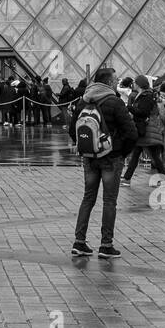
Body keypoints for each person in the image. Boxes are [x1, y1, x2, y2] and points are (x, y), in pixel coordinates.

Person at [68, 66, 138, 259]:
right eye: (115, 80)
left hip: (89, 158)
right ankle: (106, 245)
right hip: (111, 158)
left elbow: (72, 129)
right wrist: (120, 152)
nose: (117, 82)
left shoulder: (84, 100)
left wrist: (86, 146)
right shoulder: (114, 102)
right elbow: (131, 133)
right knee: (109, 201)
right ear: (108, 82)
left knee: (88, 198)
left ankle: (79, 242)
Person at [123, 75, 165, 186]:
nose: (133, 84)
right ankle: (127, 178)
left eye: (135, 82)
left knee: (153, 156)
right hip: (145, 129)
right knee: (137, 154)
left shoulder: (146, 96)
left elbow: (143, 112)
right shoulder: (145, 94)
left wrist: (129, 108)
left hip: (148, 129)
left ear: (139, 84)